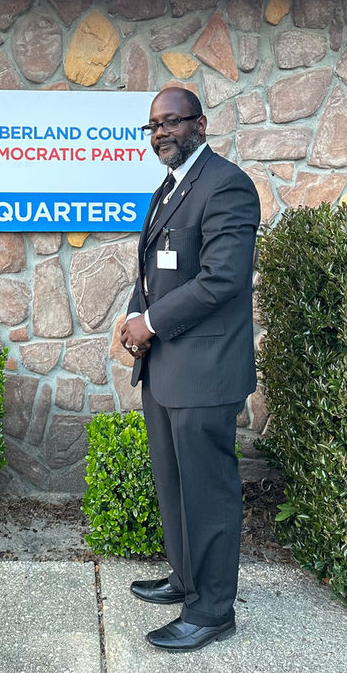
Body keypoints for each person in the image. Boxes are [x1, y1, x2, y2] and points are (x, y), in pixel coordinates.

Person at [120, 87, 260, 652]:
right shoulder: (169, 187)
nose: (161, 133)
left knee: (208, 492)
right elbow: (154, 269)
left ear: (200, 124)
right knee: (174, 483)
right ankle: (186, 578)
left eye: (171, 122)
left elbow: (223, 278)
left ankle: (212, 610)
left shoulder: (226, 185)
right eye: (153, 125)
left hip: (205, 371)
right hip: (166, 368)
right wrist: (134, 313)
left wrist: (151, 322)